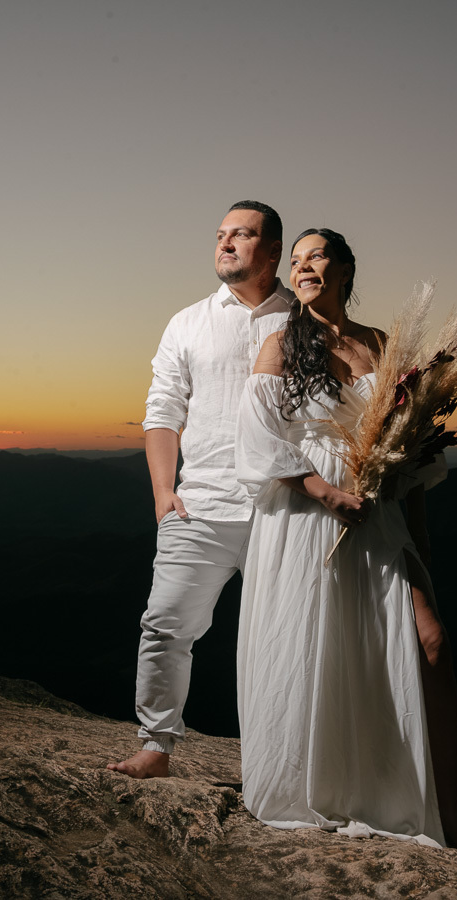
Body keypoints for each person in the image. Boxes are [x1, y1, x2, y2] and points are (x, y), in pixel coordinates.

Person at [235, 228, 457, 848]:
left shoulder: (380, 344)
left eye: (316, 255)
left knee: (430, 642)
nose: (303, 266)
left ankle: (444, 809)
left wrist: (418, 533)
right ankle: (335, 788)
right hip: (308, 518)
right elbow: (260, 439)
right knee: (323, 646)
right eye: (295, 260)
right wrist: (325, 491)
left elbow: (411, 446)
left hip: (382, 514)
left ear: (345, 267)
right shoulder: (281, 343)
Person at [107, 201, 294, 778]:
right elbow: (162, 410)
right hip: (200, 505)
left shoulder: (305, 319)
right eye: (220, 234)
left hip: (284, 508)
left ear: (272, 250)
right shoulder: (186, 322)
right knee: (165, 623)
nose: (226, 243)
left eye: (242, 234)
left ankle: (288, 765)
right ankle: (156, 746)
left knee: (284, 642)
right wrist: (164, 494)